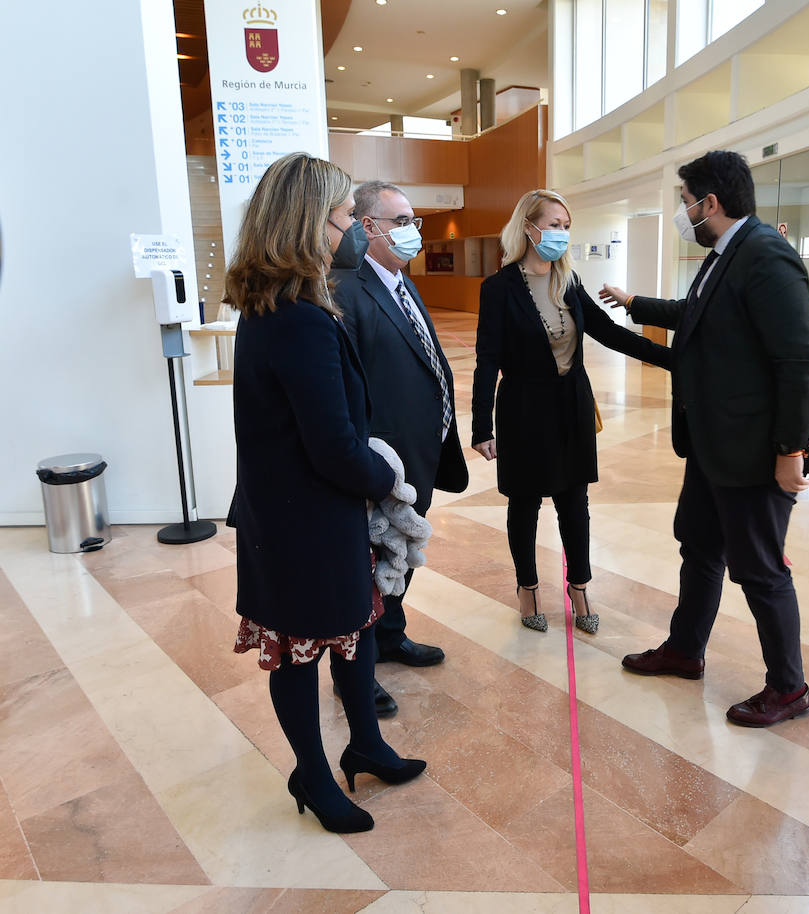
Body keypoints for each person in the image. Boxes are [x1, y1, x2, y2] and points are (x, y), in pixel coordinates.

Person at [227, 153, 426, 834]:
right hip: (304, 521)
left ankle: (364, 743)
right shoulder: (300, 318)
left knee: (355, 627)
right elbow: (334, 446)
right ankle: (312, 774)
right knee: (301, 648)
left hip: (299, 515)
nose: (349, 230)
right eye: (343, 217)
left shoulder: (273, 306)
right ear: (308, 224)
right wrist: (389, 479)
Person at [599, 150, 809, 728]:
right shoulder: (725, 253)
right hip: (713, 442)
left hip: (756, 450)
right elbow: (699, 314)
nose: (684, 213)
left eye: (685, 203)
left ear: (711, 203)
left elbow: (801, 361)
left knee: (759, 568)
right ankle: (685, 649)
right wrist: (635, 305)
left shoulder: (766, 255)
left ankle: (789, 687)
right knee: (699, 546)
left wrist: (790, 451)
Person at [471, 189, 670, 634]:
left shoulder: (569, 281)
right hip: (523, 406)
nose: (562, 234)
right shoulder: (499, 288)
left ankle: (579, 586)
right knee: (525, 504)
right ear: (529, 227)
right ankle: (527, 589)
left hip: (571, 404)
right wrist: (481, 425)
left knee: (574, 502)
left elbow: (608, 333)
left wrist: (672, 359)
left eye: (566, 226)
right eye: (554, 225)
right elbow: (487, 360)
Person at [333, 180, 469, 717]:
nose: (415, 230)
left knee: (400, 558)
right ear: (368, 227)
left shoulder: (400, 282)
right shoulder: (348, 287)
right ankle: (355, 674)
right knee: (369, 565)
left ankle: (391, 636)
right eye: (404, 221)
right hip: (380, 461)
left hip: (418, 453)